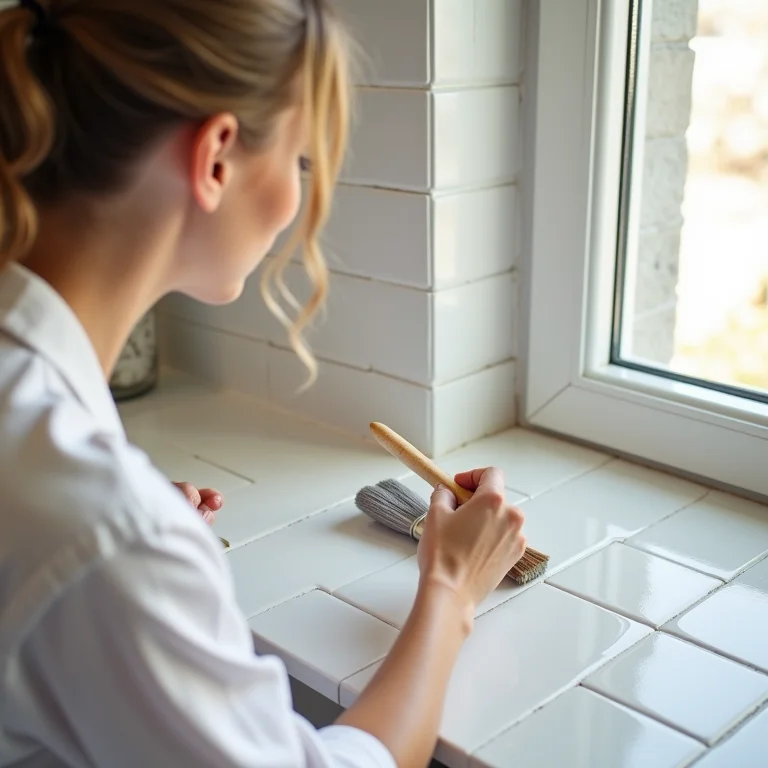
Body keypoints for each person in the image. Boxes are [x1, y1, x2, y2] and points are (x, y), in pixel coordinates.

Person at [0, 1, 528, 767]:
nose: (295, 201)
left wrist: (126, 546)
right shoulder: (100, 527)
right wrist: (450, 590)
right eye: (301, 161)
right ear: (216, 157)